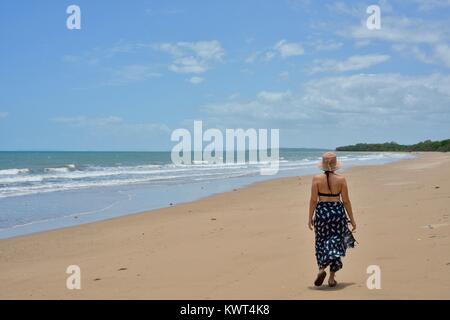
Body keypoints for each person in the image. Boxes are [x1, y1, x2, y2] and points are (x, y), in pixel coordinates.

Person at [308, 152, 357, 287]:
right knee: (336, 242)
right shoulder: (341, 179)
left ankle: (321, 269)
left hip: (322, 212)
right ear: (335, 165)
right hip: (337, 212)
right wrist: (352, 220)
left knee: (321, 242)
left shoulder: (316, 178)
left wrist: (310, 218)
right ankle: (331, 278)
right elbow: (346, 201)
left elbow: (313, 200)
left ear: (323, 164)